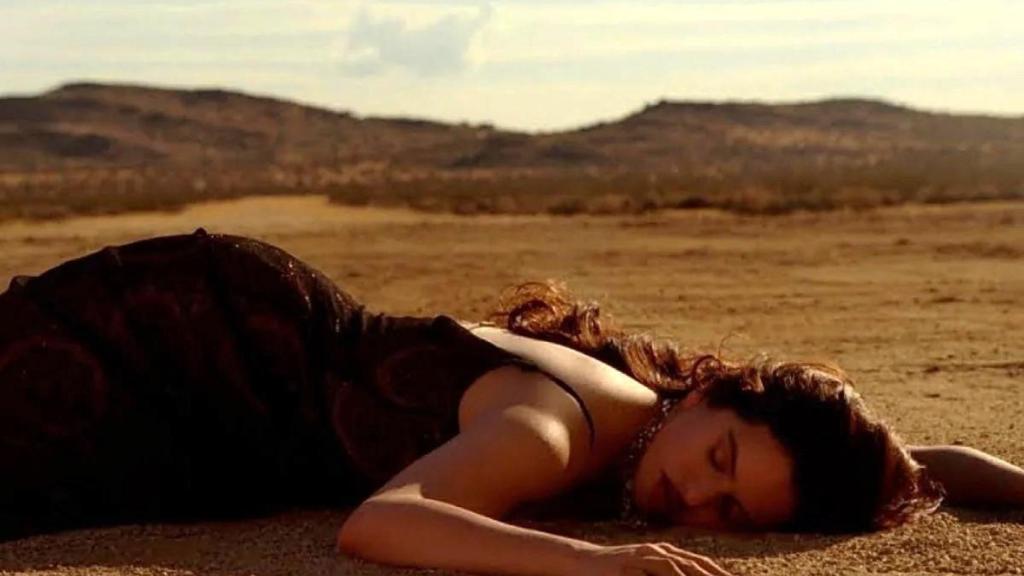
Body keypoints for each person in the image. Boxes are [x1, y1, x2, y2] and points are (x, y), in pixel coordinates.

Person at [1, 231, 1021, 576]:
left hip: (226, 385)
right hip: (193, 350)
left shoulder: (656, 417)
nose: (693, 501)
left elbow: (917, 463)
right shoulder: (556, 430)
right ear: (714, 392)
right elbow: (382, 523)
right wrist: (594, 564)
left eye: (731, 513)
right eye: (717, 464)